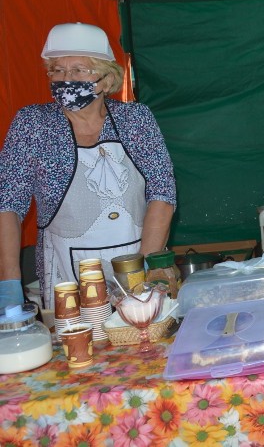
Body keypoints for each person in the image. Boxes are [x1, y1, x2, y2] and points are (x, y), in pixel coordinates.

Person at [0, 23, 177, 310]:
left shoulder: (136, 119)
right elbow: (7, 203)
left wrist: (142, 274)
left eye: (79, 70)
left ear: (106, 79)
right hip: (67, 275)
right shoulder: (33, 124)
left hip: (138, 262)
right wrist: (8, 281)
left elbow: (162, 194)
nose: (66, 79)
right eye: (57, 70)